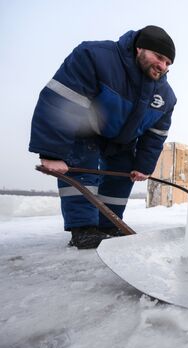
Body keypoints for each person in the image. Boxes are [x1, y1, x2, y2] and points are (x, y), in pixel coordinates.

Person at [29, 25, 177, 249]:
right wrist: (51, 153)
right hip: (85, 129)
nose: (163, 66)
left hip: (122, 140)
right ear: (139, 48)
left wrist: (143, 166)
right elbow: (61, 101)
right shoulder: (95, 57)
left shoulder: (166, 96)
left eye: (168, 62)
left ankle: (108, 225)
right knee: (83, 164)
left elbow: (155, 136)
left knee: (122, 172)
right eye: (159, 57)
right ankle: (84, 228)